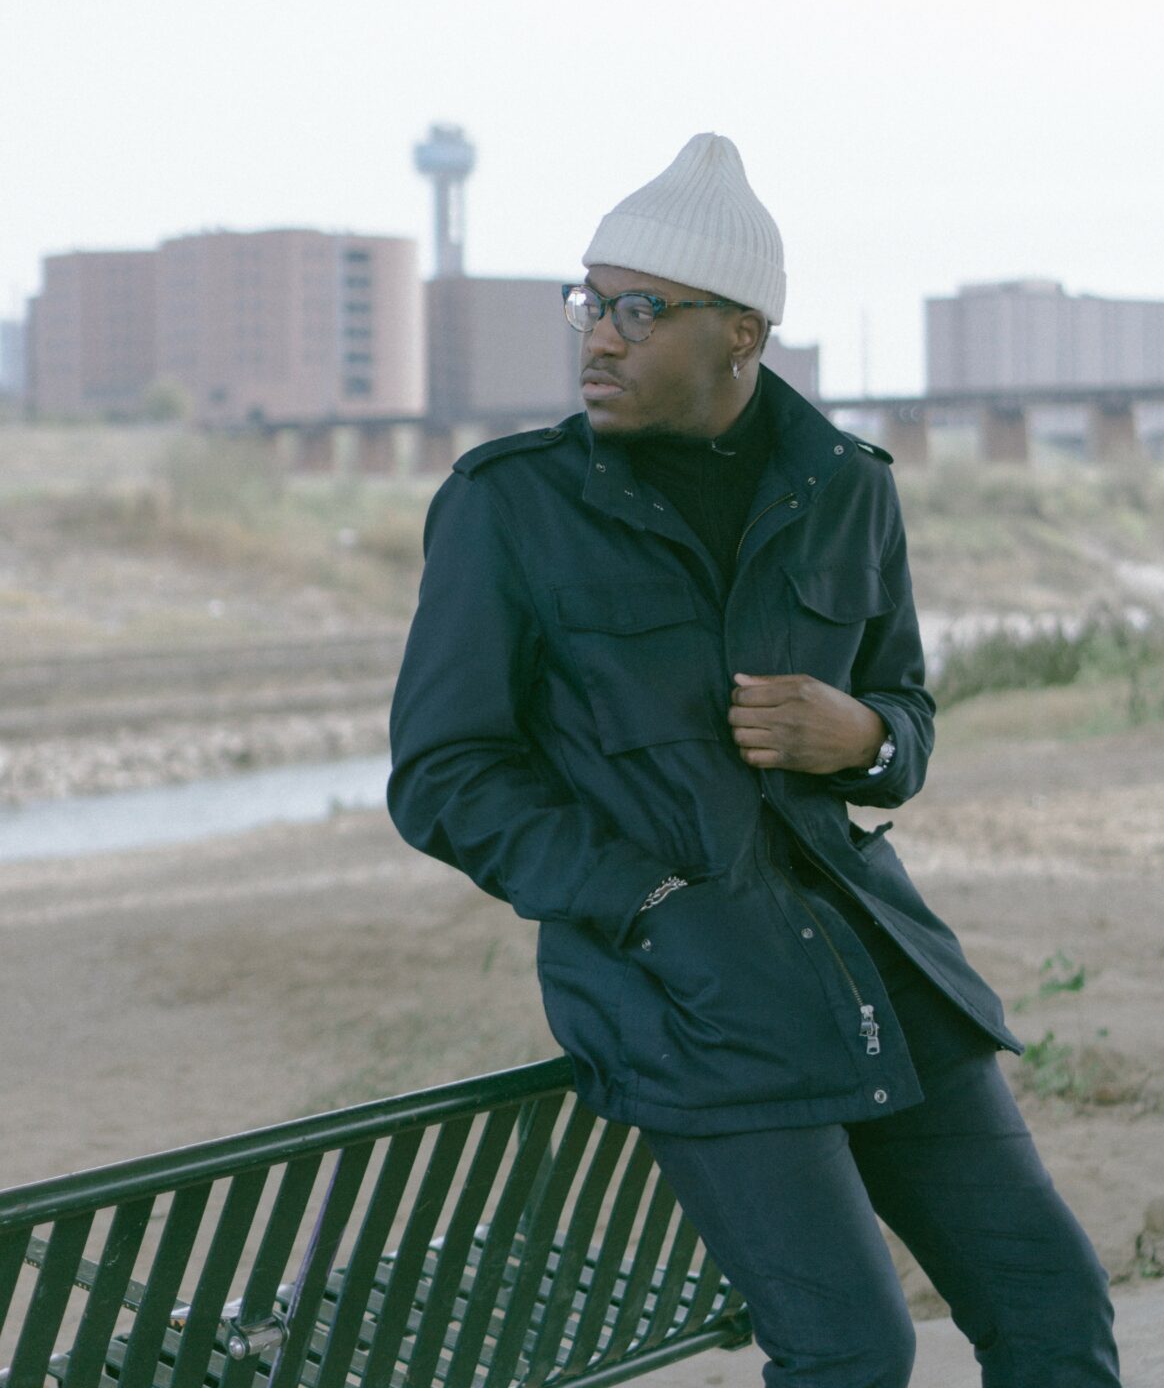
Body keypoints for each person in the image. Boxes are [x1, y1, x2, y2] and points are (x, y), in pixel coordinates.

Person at [388, 133, 1122, 1387]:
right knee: (853, 1351)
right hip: (690, 1002)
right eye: (588, 302)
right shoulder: (509, 507)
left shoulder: (845, 486)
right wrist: (645, 900)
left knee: (1051, 1303)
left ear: (739, 333)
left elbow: (904, 710)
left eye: (637, 310)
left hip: (879, 971)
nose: (597, 338)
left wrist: (864, 737)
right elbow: (445, 773)